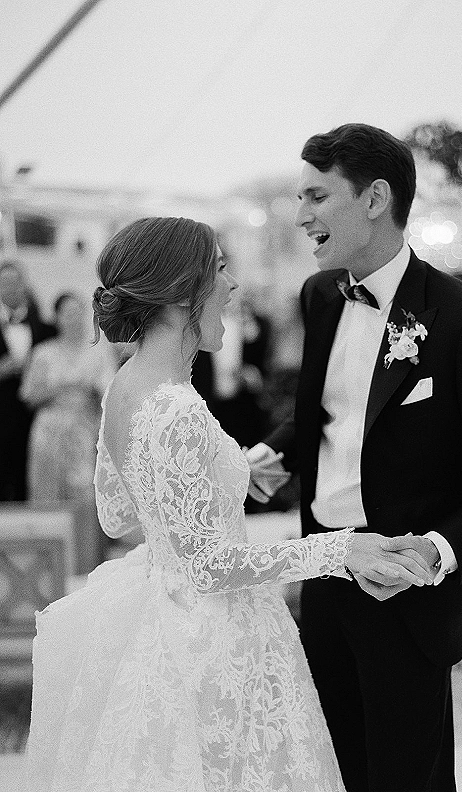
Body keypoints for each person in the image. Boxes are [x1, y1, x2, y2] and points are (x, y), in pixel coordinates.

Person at [24, 216, 435, 792]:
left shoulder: (126, 384)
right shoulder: (177, 410)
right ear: (181, 291)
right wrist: (340, 550)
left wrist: (227, 471)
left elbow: (117, 514)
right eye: (219, 268)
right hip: (211, 640)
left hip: (156, 615)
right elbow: (209, 567)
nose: (232, 283)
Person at [247, 123, 462, 792]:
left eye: (317, 197)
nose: (302, 215)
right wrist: (269, 453)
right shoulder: (320, 296)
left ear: (375, 198)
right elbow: (328, 411)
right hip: (324, 571)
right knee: (334, 771)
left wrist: (437, 551)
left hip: (405, 593)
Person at [20, 291, 117, 503]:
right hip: (48, 430)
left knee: (85, 490)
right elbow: (29, 397)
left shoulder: (99, 352)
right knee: (46, 491)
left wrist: (90, 390)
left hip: (85, 427)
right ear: (57, 318)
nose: (74, 319)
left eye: (78, 312)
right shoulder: (43, 353)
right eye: (68, 313)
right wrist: (60, 388)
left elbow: (110, 393)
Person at [0, 260, 56, 501]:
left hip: (39, 418)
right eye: (4, 283)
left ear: (24, 285)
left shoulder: (47, 329)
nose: (10, 288)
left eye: (15, 282)